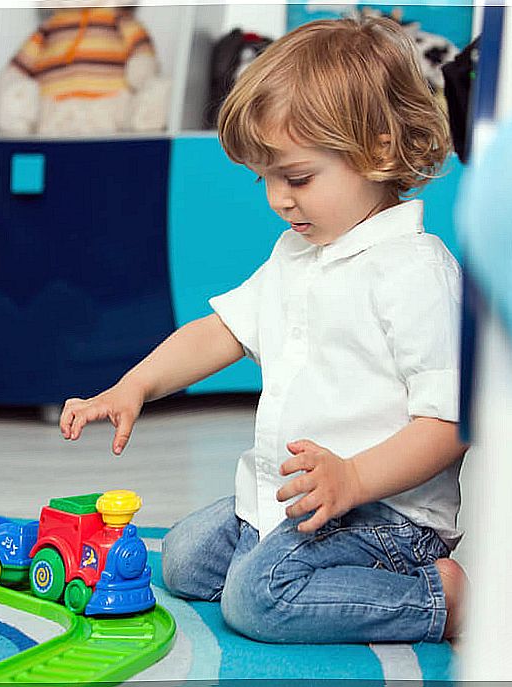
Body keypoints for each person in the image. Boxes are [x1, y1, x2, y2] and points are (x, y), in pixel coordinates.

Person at [59, 16, 467, 644]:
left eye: (297, 177)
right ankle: (295, 567)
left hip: (384, 512)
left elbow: (448, 428)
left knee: (255, 602)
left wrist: (353, 478)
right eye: (265, 178)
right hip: (292, 499)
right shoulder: (295, 255)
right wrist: (132, 386)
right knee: (183, 559)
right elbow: (219, 332)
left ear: (380, 150)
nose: (278, 198)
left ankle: (438, 599)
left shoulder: (415, 271)